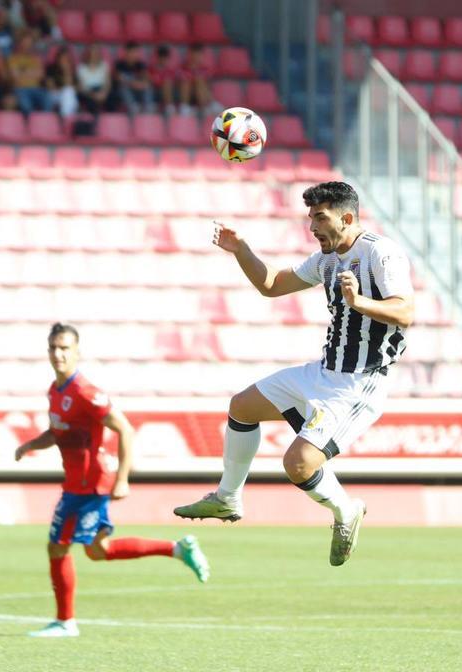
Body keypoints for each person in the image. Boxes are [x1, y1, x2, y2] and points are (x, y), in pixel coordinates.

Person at [174, 181, 415, 567]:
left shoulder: (380, 253)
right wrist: (241, 250)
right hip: (322, 372)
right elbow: (271, 285)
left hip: (359, 382)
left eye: (320, 217)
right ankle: (227, 497)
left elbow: (405, 312)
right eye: (310, 218)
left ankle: (345, 511)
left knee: (298, 464)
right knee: (242, 407)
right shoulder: (326, 261)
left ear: (347, 217)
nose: (312, 226)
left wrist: (358, 302)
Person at [14, 322, 211, 638]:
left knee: (58, 547)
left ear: (77, 352)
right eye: (53, 347)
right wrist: (30, 445)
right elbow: (57, 432)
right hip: (77, 485)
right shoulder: (56, 391)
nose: (58, 354)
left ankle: (66, 623)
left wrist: (122, 479)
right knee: (96, 550)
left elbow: (125, 428)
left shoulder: (85, 392)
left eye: (65, 348)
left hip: (91, 484)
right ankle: (178, 549)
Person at [7, 31, 48, 113]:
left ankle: (44, 124)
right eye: (25, 43)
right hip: (20, 89)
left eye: (30, 43)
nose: (28, 46)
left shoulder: (36, 59)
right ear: (20, 44)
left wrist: (23, 72)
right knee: (26, 106)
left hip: (37, 88)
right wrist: (32, 72)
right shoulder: (13, 59)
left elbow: (41, 75)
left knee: (48, 100)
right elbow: (15, 77)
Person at [114, 41, 153, 115]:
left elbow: (147, 79)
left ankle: (148, 109)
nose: (135, 54)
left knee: (148, 87)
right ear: (127, 52)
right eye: (133, 52)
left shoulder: (141, 64)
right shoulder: (119, 64)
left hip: (138, 89)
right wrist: (133, 83)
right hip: (125, 91)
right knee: (123, 87)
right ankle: (133, 108)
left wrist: (143, 84)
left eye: (136, 52)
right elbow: (119, 78)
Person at [179, 43, 217, 116]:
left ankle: (206, 107)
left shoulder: (205, 69)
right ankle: (185, 107)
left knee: (199, 81)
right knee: (186, 82)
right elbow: (179, 83)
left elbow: (208, 86)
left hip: (200, 94)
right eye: (194, 55)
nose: (196, 57)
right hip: (187, 94)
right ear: (190, 55)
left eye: (198, 55)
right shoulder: (183, 68)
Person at [75, 45, 110, 115]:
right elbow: (80, 87)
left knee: (113, 97)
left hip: (101, 90)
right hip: (88, 92)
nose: (94, 55)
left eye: (96, 53)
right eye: (92, 53)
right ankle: (94, 121)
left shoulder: (104, 66)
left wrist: (104, 93)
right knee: (89, 101)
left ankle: (112, 121)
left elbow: (108, 83)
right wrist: (93, 95)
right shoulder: (81, 68)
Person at [45, 47, 77, 118]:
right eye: (62, 58)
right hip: (52, 94)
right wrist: (62, 90)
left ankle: (66, 117)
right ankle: (66, 118)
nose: (64, 60)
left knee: (68, 91)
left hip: (66, 96)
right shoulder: (51, 68)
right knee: (67, 92)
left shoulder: (71, 70)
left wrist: (66, 71)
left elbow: (72, 86)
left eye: (66, 59)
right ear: (58, 59)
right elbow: (50, 87)